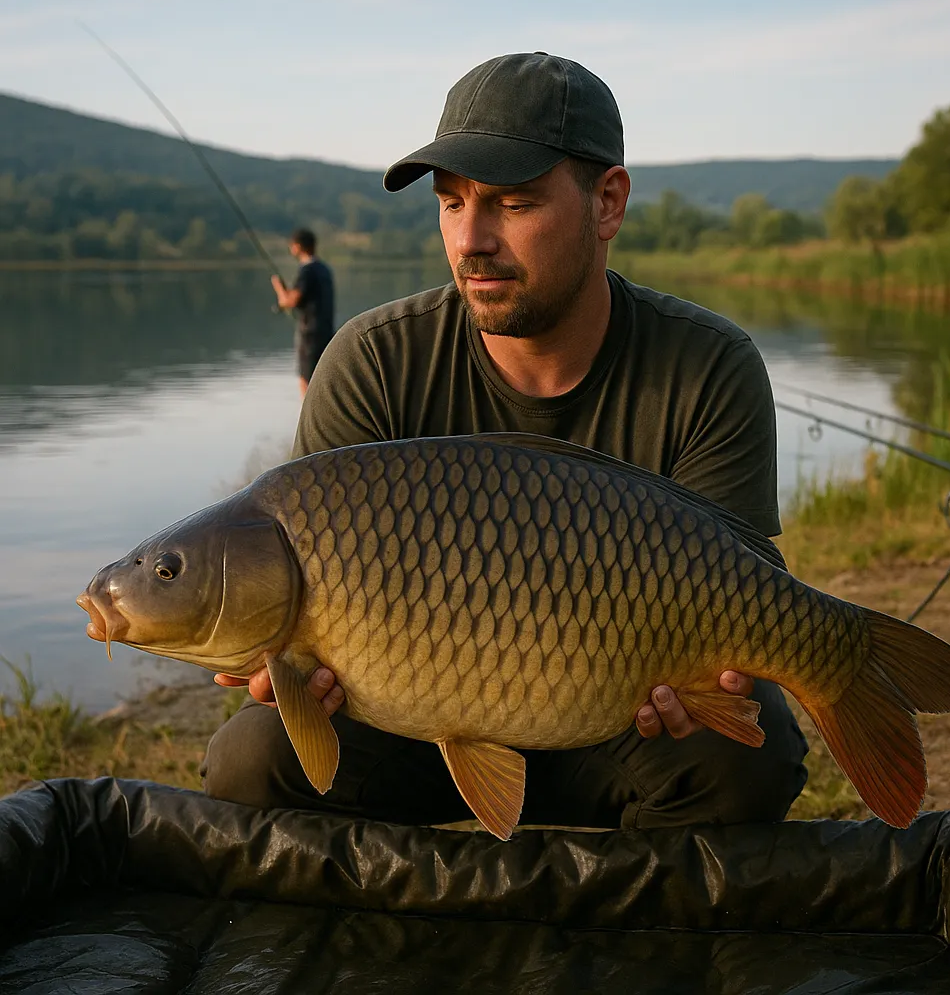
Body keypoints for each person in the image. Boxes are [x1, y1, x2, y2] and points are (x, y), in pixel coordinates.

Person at [204, 52, 809, 830]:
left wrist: (706, 682)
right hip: (413, 723)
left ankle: (629, 934)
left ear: (608, 203)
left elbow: (740, 588)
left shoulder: (707, 365)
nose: (471, 240)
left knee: (753, 754)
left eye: (513, 205)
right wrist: (295, 673)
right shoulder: (371, 363)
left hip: (624, 723)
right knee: (250, 759)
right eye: (452, 204)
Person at [271, 228, 335, 396]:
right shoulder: (324, 269)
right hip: (326, 331)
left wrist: (279, 288)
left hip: (309, 333)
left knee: (306, 378)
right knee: (323, 378)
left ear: (298, 246)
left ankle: (308, 419)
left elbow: (291, 301)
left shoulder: (307, 270)